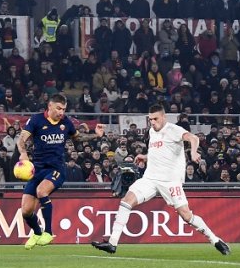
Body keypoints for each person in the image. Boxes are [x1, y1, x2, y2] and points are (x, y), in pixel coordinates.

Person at [92, 104, 230, 255]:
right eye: (150, 119)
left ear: (164, 117)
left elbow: (193, 137)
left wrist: (194, 152)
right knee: (126, 200)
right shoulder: (152, 131)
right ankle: (112, 243)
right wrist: (144, 156)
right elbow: (159, 151)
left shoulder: (173, 130)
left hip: (170, 181)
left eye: (155, 119)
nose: (152, 122)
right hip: (150, 178)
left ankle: (215, 239)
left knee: (186, 215)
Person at [17, 93, 105, 249]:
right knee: (26, 211)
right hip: (37, 170)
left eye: (63, 109)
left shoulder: (66, 122)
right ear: (49, 106)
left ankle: (49, 233)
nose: (61, 112)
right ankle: (37, 233)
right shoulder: (36, 120)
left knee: (41, 191)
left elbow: (77, 138)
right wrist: (23, 153)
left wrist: (95, 135)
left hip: (56, 169)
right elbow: (21, 139)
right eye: (58, 108)